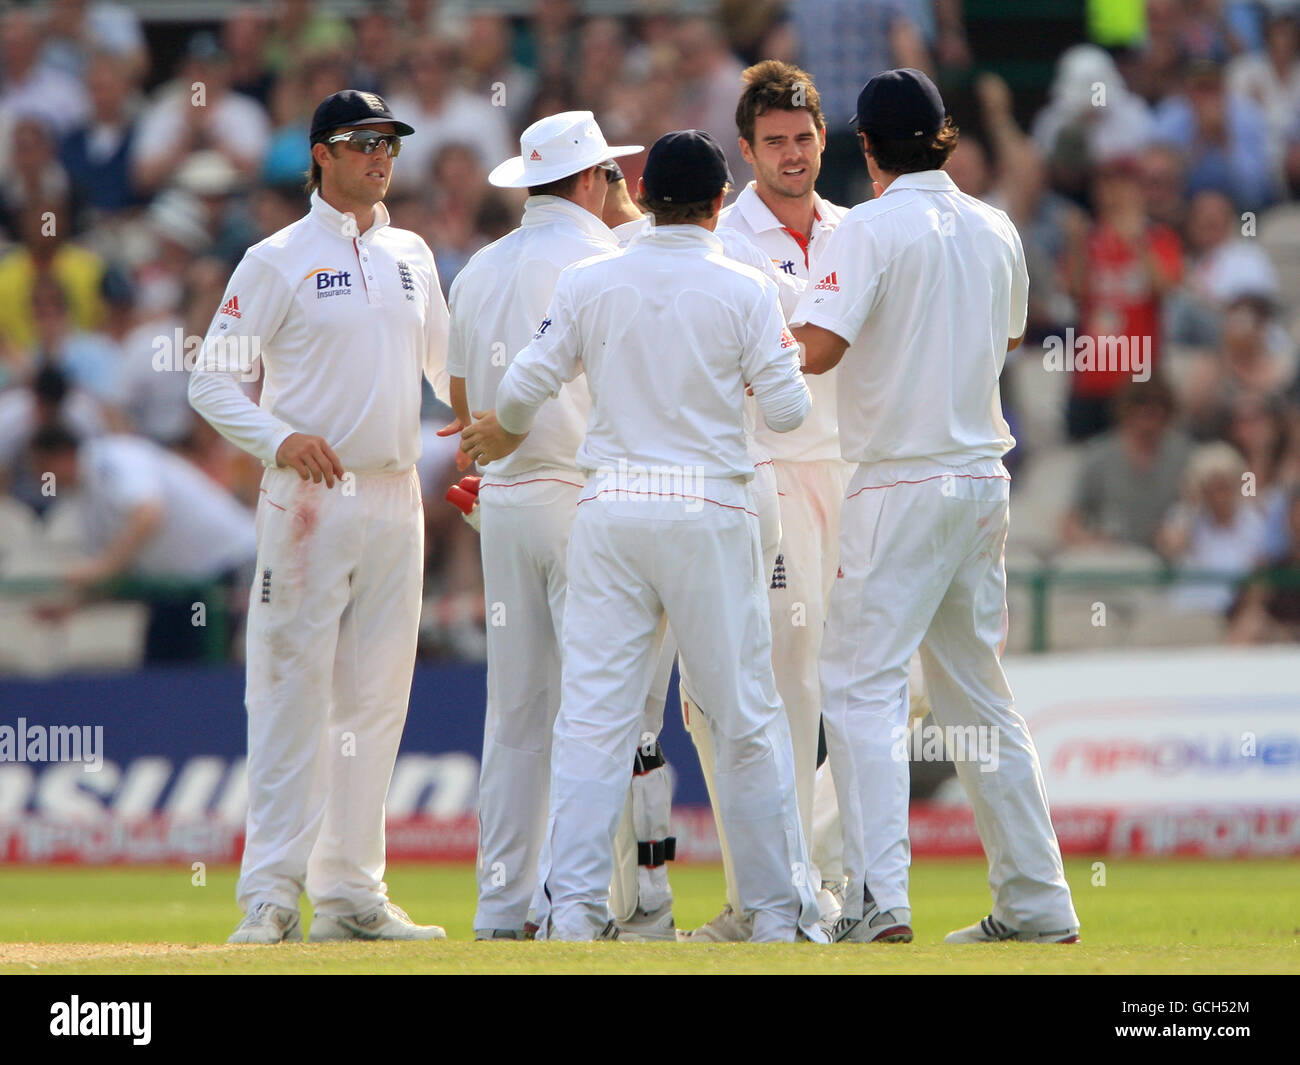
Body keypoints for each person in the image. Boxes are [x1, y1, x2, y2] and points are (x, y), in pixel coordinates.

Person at [462, 130, 823, 943]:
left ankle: (577, 912)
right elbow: (791, 414)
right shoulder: (745, 285)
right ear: (720, 202)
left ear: (644, 195)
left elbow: (522, 387)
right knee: (742, 715)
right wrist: (769, 366)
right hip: (708, 509)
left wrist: (502, 432)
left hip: (612, 506)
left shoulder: (593, 279)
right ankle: (773, 913)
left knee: (593, 718)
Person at [791, 69, 1080, 944]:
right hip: (980, 479)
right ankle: (1037, 900)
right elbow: (1007, 334)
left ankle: (881, 900)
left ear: (868, 148)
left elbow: (818, 349)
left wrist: (732, 329)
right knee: (979, 697)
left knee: (860, 687)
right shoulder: (994, 224)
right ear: (944, 136)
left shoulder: (869, 226)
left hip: (901, 480)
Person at [188, 89, 449, 944]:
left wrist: (504, 426)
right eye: (362, 142)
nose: (380, 157)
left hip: (395, 493)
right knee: (290, 692)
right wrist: (277, 437)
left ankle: (350, 893)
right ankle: (269, 894)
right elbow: (211, 380)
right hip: (308, 498)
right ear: (320, 155)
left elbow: (449, 378)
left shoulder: (413, 252)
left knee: (376, 699)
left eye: (389, 144)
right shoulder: (275, 257)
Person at [440, 110, 641, 941]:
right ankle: (578, 903)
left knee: (516, 714)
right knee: (595, 710)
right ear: (593, 179)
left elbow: (460, 412)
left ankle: (501, 905)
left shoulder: (479, 269)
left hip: (506, 502)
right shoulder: (605, 258)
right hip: (582, 498)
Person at [28, 426, 256, 661]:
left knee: (200, 675)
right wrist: (70, 605)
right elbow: (116, 570)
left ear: (62, 455)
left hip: (228, 569)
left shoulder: (117, 457)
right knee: (157, 670)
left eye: (41, 467)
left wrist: (103, 566)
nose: (39, 478)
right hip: (176, 586)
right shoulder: (85, 500)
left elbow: (148, 515)